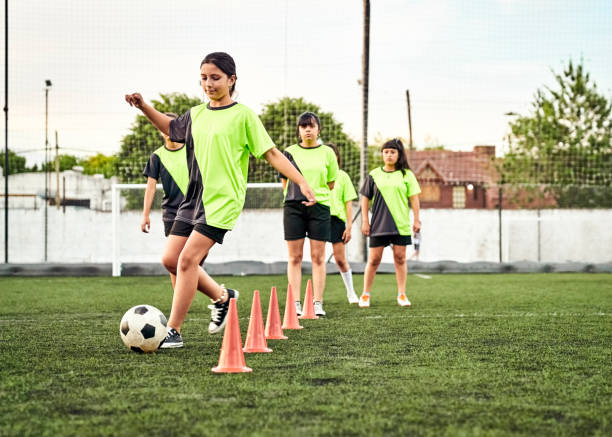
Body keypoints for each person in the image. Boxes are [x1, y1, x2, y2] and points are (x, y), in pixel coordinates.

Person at [125, 52, 316, 348]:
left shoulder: (244, 115)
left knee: (188, 260)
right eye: (204, 77)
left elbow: (272, 153)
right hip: (194, 200)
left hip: (223, 202)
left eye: (215, 77)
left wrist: (301, 180)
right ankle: (223, 298)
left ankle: (173, 330)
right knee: (170, 260)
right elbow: (169, 127)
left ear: (231, 79)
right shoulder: (196, 115)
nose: (208, 83)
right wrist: (144, 106)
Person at [279, 112, 338, 317]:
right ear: (299, 130)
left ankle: (317, 303)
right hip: (293, 207)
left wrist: (314, 196)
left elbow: (331, 183)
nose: (308, 130)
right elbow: (285, 182)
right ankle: (295, 303)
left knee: (318, 257)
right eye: (303, 126)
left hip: (320, 207)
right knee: (295, 256)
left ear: (318, 129)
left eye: (311, 126)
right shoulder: (288, 152)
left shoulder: (328, 153)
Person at [359, 138, 421, 308]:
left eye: (392, 152)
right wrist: (365, 220)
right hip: (378, 225)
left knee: (400, 259)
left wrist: (416, 219)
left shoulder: (407, 175)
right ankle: (365, 294)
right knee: (373, 260)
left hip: (400, 224)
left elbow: (414, 199)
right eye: (386, 152)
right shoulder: (373, 175)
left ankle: (402, 294)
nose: (389, 155)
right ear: (382, 154)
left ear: (399, 154)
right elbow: (365, 199)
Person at [327, 143, 359, 304]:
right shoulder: (316, 174)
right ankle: (315, 298)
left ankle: (351, 293)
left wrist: (349, 227)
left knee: (340, 259)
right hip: (317, 217)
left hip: (335, 220)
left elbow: (348, 203)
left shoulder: (343, 176)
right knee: (317, 258)